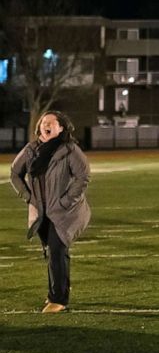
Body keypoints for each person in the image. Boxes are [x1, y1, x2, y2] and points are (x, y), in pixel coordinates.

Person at [9, 111, 92, 313]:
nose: (45, 125)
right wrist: (29, 197)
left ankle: (59, 299)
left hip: (66, 212)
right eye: (43, 122)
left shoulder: (69, 149)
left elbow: (83, 176)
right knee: (54, 252)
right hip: (42, 212)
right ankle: (59, 289)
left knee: (56, 250)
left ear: (61, 127)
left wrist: (66, 201)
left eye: (51, 122)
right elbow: (14, 173)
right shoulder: (31, 150)